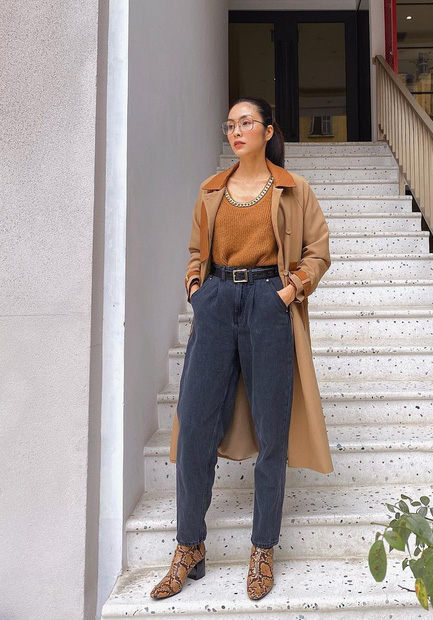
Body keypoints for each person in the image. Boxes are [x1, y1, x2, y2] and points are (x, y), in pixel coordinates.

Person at [150, 97, 330, 601]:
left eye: (246, 122)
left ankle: (262, 549)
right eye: (230, 124)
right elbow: (196, 252)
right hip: (217, 301)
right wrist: (196, 288)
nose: (236, 130)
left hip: (269, 304)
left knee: (273, 431)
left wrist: (289, 291)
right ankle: (189, 546)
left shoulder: (293, 189)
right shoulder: (211, 190)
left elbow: (318, 251)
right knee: (194, 422)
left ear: (268, 131)